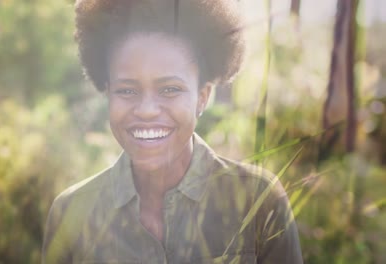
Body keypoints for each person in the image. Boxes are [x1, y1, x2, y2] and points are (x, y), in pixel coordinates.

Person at [42, 0, 303, 263]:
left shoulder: (258, 201)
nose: (146, 110)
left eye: (169, 89)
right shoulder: (71, 213)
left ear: (202, 96)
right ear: (108, 93)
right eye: (127, 90)